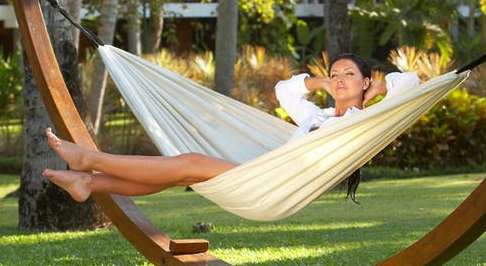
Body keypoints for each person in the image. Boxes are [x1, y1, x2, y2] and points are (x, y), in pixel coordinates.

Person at [42, 54, 420, 203]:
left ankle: (88, 159)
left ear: (366, 82)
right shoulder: (317, 117)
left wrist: (373, 90)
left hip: (278, 186)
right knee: (180, 174)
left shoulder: (364, 122)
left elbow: (411, 84)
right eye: (334, 73)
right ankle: (89, 182)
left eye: (348, 75)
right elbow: (284, 91)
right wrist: (323, 83)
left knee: (188, 162)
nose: (338, 79)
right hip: (264, 171)